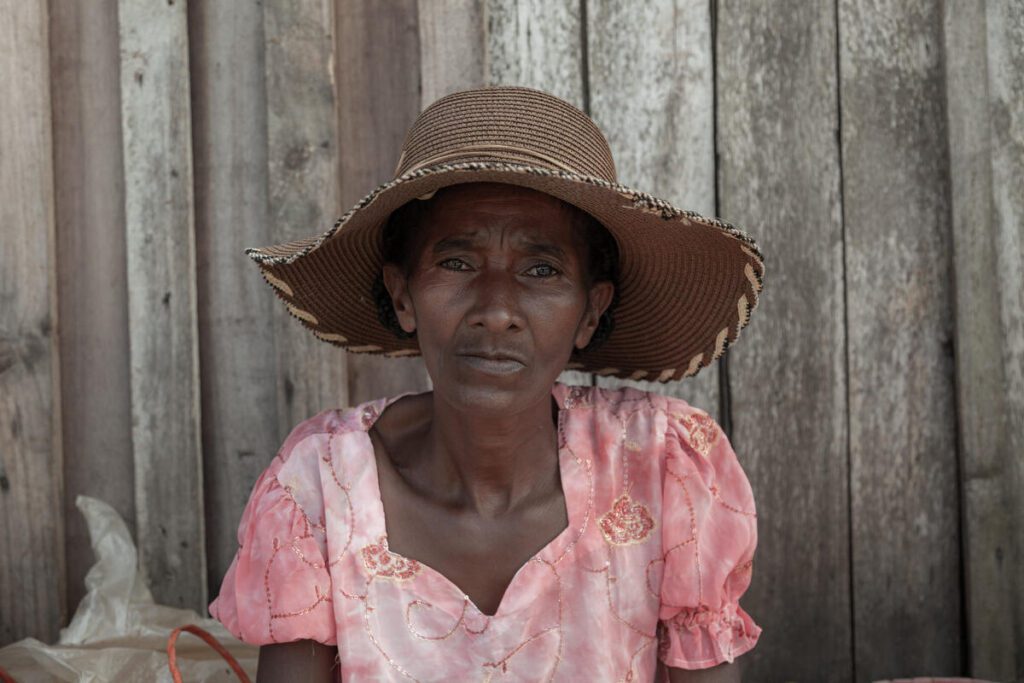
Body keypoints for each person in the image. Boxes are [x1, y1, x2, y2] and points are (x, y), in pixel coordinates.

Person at [209, 85, 766, 682]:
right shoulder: (318, 488)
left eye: (541, 270)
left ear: (590, 312)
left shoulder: (661, 467)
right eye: (457, 263)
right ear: (404, 295)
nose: (496, 308)